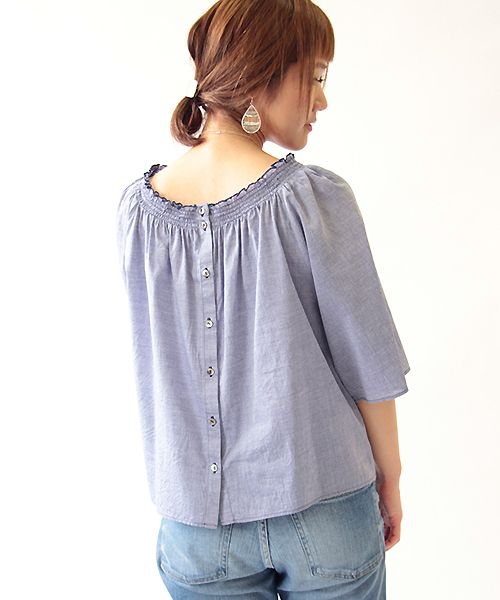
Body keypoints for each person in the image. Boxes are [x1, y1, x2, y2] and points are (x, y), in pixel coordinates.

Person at [115, 1, 411, 598]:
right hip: (326, 507)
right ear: (261, 73)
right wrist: (392, 477)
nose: (322, 100)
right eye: (316, 75)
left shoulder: (138, 213)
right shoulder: (312, 199)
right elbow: (370, 364)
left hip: (196, 528)